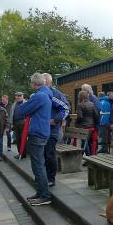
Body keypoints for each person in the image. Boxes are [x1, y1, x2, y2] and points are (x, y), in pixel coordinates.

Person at [14, 73, 53, 205]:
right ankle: (40, 192)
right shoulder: (45, 95)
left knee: (38, 166)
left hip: (37, 133)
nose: (30, 85)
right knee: (38, 165)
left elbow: (20, 111)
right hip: (41, 132)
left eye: (31, 83)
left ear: (35, 84)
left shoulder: (39, 96)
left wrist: (29, 101)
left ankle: (45, 195)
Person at [43, 73, 70, 187]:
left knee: (49, 154)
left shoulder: (54, 94)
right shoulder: (40, 94)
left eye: (42, 82)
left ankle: (51, 178)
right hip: (42, 130)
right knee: (43, 154)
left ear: (48, 82)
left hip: (52, 130)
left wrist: (55, 120)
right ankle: (43, 176)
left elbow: (66, 108)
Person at [75, 90, 99, 155]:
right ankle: (91, 156)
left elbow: (80, 117)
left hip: (83, 127)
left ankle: (88, 156)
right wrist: (96, 124)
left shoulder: (80, 105)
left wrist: (76, 124)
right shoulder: (92, 104)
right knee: (89, 142)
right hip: (91, 127)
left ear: (80, 97)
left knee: (84, 142)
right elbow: (96, 115)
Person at [12, 92, 27, 158]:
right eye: (17, 96)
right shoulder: (14, 104)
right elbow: (12, 114)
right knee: (18, 139)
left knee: (23, 139)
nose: (19, 97)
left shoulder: (26, 103)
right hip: (16, 123)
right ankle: (20, 153)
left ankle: (23, 154)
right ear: (15, 97)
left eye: (20, 96)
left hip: (23, 123)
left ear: (23, 96)